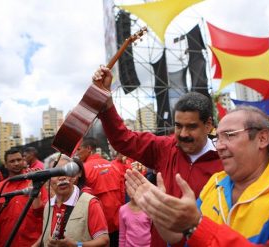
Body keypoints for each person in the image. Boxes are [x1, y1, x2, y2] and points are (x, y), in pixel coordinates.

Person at [125, 106, 269, 246]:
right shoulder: (215, 184)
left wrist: (196, 225)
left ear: (262, 138)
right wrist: (160, 213)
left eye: (229, 135)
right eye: (218, 137)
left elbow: (197, 231)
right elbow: (182, 241)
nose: (219, 145)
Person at [92, 65, 223, 247]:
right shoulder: (165, 147)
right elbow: (123, 139)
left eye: (191, 126)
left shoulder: (225, 160)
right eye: (178, 126)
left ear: (208, 125)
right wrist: (106, 103)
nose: (183, 134)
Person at [32, 154, 109, 247]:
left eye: (66, 171)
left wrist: (76, 245)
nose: (62, 177)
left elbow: (104, 241)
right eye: (56, 173)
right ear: (48, 180)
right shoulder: (48, 205)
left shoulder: (90, 203)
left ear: (73, 176)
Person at [0, 148, 48, 247]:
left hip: (34, 242)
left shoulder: (35, 183)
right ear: (6, 165)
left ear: (23, 161)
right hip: (7, 242)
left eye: (19, 160)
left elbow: (46, 211)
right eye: (12, 161)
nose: (16, 163)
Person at [76, 137, 123, 247]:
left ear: (88, 148)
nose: (77, 153)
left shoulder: (84, 169)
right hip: (117, 223)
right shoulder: (113, 166)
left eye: (79, 149)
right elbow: (122, 194)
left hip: (98, 227)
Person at [119, 166, 152, 247]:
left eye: (137, 187)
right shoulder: (122, 210)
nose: (134, 191)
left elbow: (153, 232)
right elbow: (122, 235)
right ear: (126, 189)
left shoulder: (148, 208)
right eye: (130, 188)